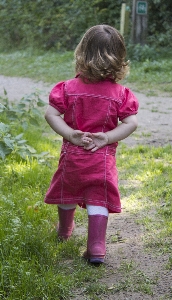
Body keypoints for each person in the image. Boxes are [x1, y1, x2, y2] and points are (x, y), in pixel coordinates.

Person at [44, 24, 139, 264]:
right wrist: (107, 137)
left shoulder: (67, 88)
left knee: (67, 193)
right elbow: (131, 123)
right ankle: (96, 247)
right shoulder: (121, 94)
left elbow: (50, 115)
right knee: (98, 198)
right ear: (119, 57)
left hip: (73, 157)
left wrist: (71, 134)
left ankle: (64, 232)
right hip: (102, 159)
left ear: (81, 53)